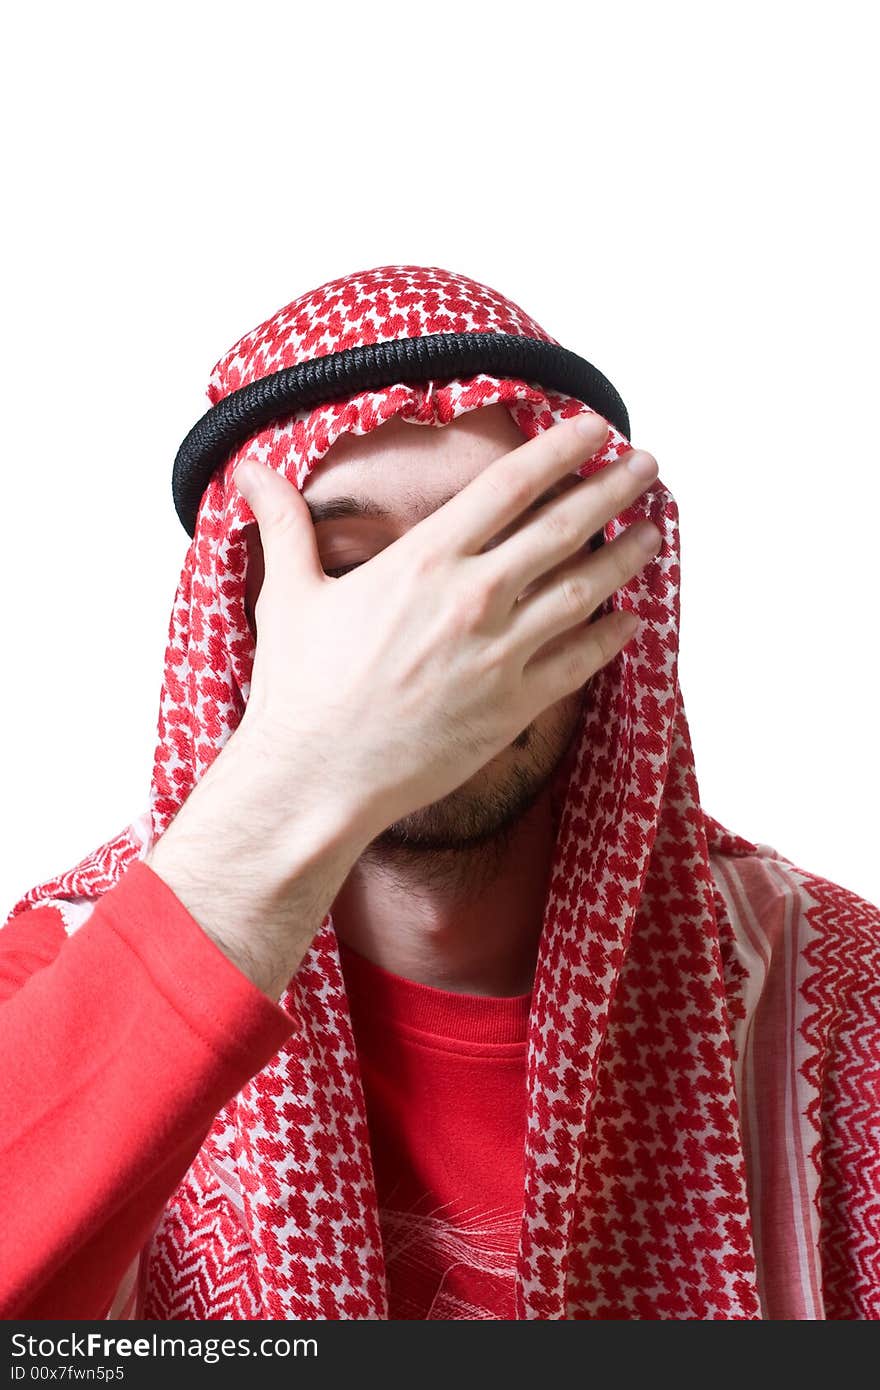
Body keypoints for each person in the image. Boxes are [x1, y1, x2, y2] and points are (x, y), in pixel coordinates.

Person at [1, 264, 877, 1322]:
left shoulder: (831, 994)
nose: (434, 638)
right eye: (353, 570)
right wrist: (299, 777)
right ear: (239, 616)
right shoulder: (59, 967)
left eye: (503, 561)